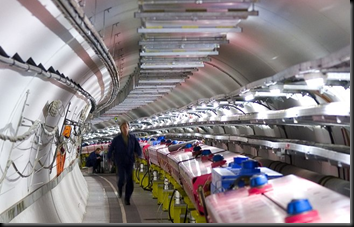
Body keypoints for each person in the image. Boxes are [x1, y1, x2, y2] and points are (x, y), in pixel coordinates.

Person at [107, 121, 142, 205]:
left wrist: (139, 156)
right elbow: (111, 149)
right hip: (120, 161)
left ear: (128, 128)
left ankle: (127, 198)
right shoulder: (116, 139)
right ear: (121, 129)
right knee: (122, 178)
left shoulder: (133, 138)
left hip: (130, 161)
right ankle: (120, 188)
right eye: (123, 127)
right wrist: (109, 158)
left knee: (130, 180)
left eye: (126, 127)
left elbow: (138, 148)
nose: (125, 129)